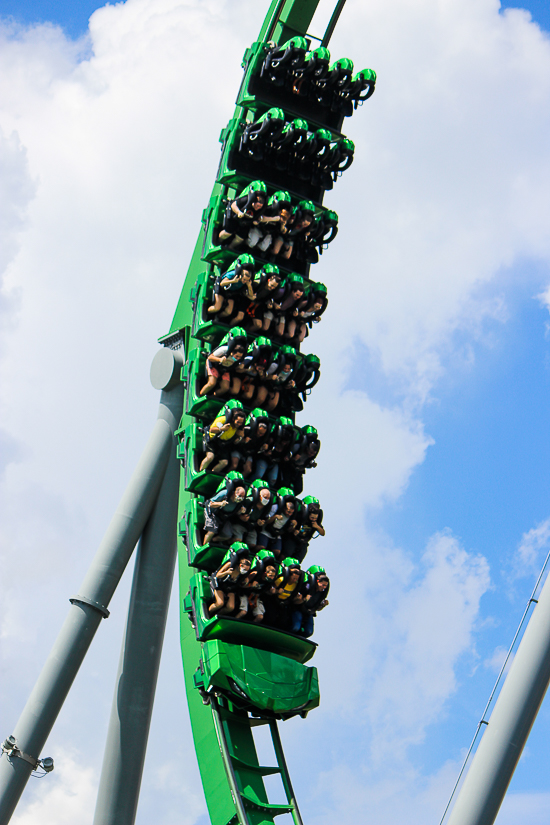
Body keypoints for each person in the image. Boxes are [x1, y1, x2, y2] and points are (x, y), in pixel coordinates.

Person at [199, 328, 248, 398]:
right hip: (214, 365)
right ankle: (200, 396)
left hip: (225, 369)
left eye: (240, 357)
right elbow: (210, 357)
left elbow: (237, 367)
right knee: (212, 383)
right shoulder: (224, 350)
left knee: (225, 388)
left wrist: (241, 367)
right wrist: (220, 360)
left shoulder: (240, 358)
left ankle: (212, 397)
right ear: (232, 352)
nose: (238, 358)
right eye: (236, 356)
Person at [217, 181, 267, 249]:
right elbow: (233, 205)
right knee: (228, 232)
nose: (258, 208)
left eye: (260, 206)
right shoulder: (245, 199)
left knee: (240, 238)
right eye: (257, 205)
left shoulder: (261, 209)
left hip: (245, 221)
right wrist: (238, 212)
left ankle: (230, 247)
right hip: (233, 215)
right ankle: (219, 242)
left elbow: (260, 217)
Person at [200, 402, 246, 474]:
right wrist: (221, 429)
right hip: (211, 440)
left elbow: (235, 442)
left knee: (224, 462)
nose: (239, 424)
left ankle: (213, 473)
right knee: (210, 457)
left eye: (241, 423)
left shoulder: (238, 428)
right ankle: (201, 472)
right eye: (238, 422)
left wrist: (240, 437)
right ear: (233, 418)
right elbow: (211, 430)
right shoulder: (223, 420)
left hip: (222, 444)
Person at [202, 473, 248, 546]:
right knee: (212, 531)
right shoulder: (225, 493)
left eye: (242, 497)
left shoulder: (239, 503)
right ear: (235, 493)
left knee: (228, 535)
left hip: (223, 517)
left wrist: (240, 512)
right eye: (239, 496)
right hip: (212, 512)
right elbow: (210, 504)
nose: (240, 498)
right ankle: (204, 546)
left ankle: (214, 541)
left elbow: (234, 513)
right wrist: (220, 504)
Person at [208, 543, 252, 616]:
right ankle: (208, 613)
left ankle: (217, 615)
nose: (245, 571)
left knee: (231, 607)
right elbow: (218, 575)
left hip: (230, 587)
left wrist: (245, 582)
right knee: (219, 603)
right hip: (220, 583)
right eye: (244, 569)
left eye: (247, 570)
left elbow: (239, 584)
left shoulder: (243, 574)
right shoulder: (230, 565)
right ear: (240, 565)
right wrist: (226, 572)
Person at [206, 255, 255, 321]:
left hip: (231, 293)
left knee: (228, 312)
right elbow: (222, 283)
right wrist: (233, 281)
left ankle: (217, 317)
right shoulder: (233, 274)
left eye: (246, 280)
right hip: (222, 289)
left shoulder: (247, 282)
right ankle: (206, 314)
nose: (244, 281)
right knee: (217, 307)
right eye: (244, 279)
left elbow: (251, 296)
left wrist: (249, 286)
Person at [252, 416, 295, 486]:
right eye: (283, 441)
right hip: (264, 459)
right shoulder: (271, 439)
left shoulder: (289, 444)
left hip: (274, 462)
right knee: (258, 475)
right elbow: (259, 450)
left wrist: (286, 457)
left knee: (273, 480)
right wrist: (265, 451)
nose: (284, 443)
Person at [257, 488, 298, 559]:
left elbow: (288, 530)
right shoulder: (275, 507)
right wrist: (275, 517)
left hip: (277, 533)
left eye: (291, 512)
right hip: (267, 530)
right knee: (261, 547)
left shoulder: (291, 516)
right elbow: (266, 521)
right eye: (288, 512)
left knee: (277, 552)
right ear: (284, 508)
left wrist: (293, 526)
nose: (289, 514)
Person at [282, 495, 325, 562]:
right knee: (286, 554)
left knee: (298, 559)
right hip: (293, 539)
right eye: (312, 518)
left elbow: (322, 533)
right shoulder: (299, 515)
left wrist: (317, 526)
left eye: (315, 518)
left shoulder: (316, 521)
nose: (313, 519)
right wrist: (294, 529)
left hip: (303, 543)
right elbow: (288, 528)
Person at [291, 565, 329, 636]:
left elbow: (317, 608)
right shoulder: (306, 586)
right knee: (295, 627)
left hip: (309, 612)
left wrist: (322, 605)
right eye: (322, 585)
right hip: (298, 609)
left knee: (309, 632)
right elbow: (294, 601)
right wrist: (304, 599)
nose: (324, 587)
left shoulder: (322, 593)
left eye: (325, 586)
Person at [244, 265, 284, 332]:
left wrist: (270, 303)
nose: (272, 288)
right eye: (271, 286)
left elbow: (267, 299)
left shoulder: (273, 290)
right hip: (247, 301)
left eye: (274, 287)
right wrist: (250, 296)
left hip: (257, 305)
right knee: (239, 317)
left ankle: (246, 332)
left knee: (259, 325)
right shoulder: (257, 283)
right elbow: (244, 291)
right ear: (268, 280)